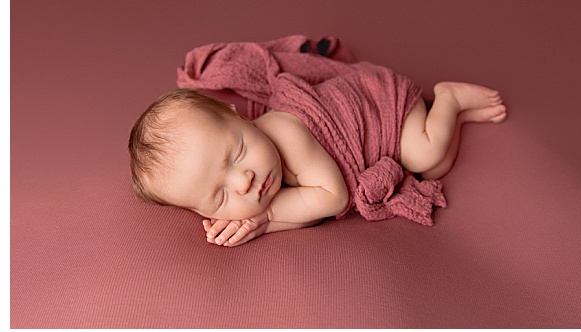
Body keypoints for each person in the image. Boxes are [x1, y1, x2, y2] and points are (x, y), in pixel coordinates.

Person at [130, 80, 506, 246]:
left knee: (425, 155)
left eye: (237, 153)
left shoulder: (285, 133)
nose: (244, 182)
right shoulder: (262, 175)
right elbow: (310, 210)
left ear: (239, 116)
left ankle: (448, 99)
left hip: (377, 110)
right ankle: (451, 119)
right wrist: (265, 223)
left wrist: (265, 219)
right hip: (373, 132)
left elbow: (331, 199)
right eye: (219, 197)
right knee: (436, 168)